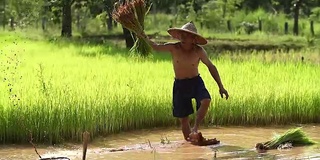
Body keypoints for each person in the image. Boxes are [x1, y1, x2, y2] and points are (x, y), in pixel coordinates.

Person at [137, 21, 229, 145]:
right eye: (182, 35)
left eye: (187, 35)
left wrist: (221, 86)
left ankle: (196, 127)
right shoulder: (173, 48)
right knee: (184, 121)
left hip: (196, 82)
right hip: (180, 85)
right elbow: (156, 47)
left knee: (206, 100)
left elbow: (211, 66)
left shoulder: (198, 51)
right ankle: (192, 143)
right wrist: (143, 36)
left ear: (194, 39)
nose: (183, 38)